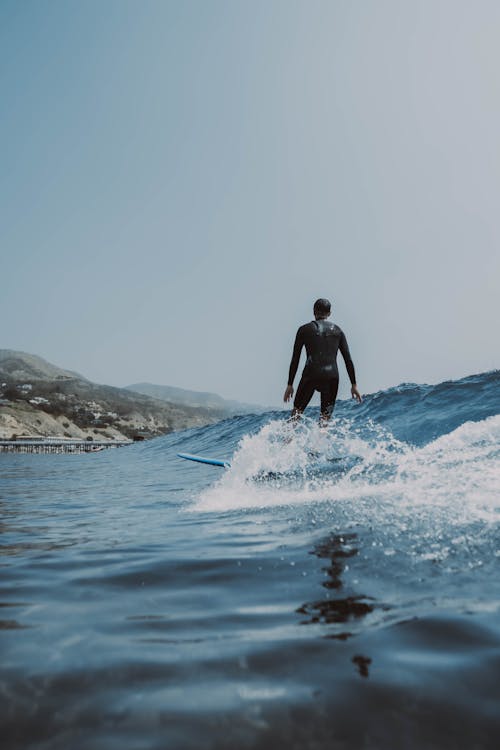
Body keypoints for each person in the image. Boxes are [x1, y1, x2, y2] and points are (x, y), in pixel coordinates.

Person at [283, 298, 362, 423]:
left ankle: (287, 441)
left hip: (311, 373)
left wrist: (290, 384)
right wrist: (354, 385)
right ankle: (320, 442)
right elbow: (348, 359)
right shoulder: (338, 331)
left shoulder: (304, 330)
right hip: (331, 376)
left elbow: (295, 358)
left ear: (314, 311)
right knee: (325, 418)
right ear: (329, 313)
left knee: (296, 414)